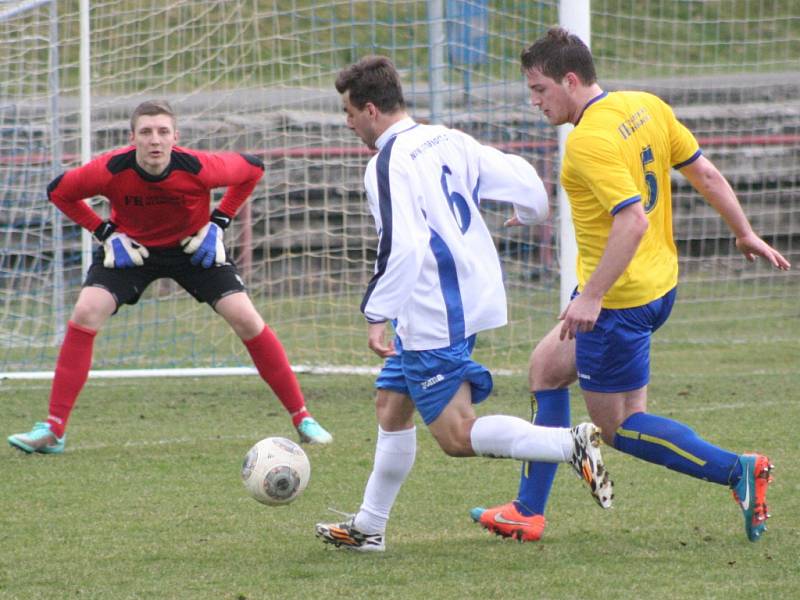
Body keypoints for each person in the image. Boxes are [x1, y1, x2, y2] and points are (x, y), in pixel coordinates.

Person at [471, 27, 790, 544]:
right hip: (657, 283)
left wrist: (591, 296)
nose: (533, 102)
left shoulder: (587, 143)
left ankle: (737, 468)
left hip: (618, 302)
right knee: (546, 371)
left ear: (570, 80)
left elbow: (632, 221)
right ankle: (527, 511)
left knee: (620, 427)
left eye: (539, 89)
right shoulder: (646, 105)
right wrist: (744, 232)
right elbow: (705, 174)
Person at [313, 55, 614, 553]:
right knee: (391, 405)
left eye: (348, 112)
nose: (347, 123)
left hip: (433, 307)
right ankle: (369, 526)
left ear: (370, 110)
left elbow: (403, 245)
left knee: (455, 436)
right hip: (462, 293)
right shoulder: (446, 137)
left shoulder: (385, 162)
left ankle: (569, 443)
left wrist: (376, 312)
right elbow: (523, 180)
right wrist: (528, 211)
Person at [7, 99, 333, 453]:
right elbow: (59, 192)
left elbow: (253, 169)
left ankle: (303, 418)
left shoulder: (199, 167)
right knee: (86, 311)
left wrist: (218, 223)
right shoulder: (111, 169)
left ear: (175, 137)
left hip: (193, 250)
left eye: (163, 132)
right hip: (133, 251)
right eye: (146, 132)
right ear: (132, 138)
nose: (155, 140)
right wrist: (104, 232)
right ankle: (53, 430)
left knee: (246, 318)